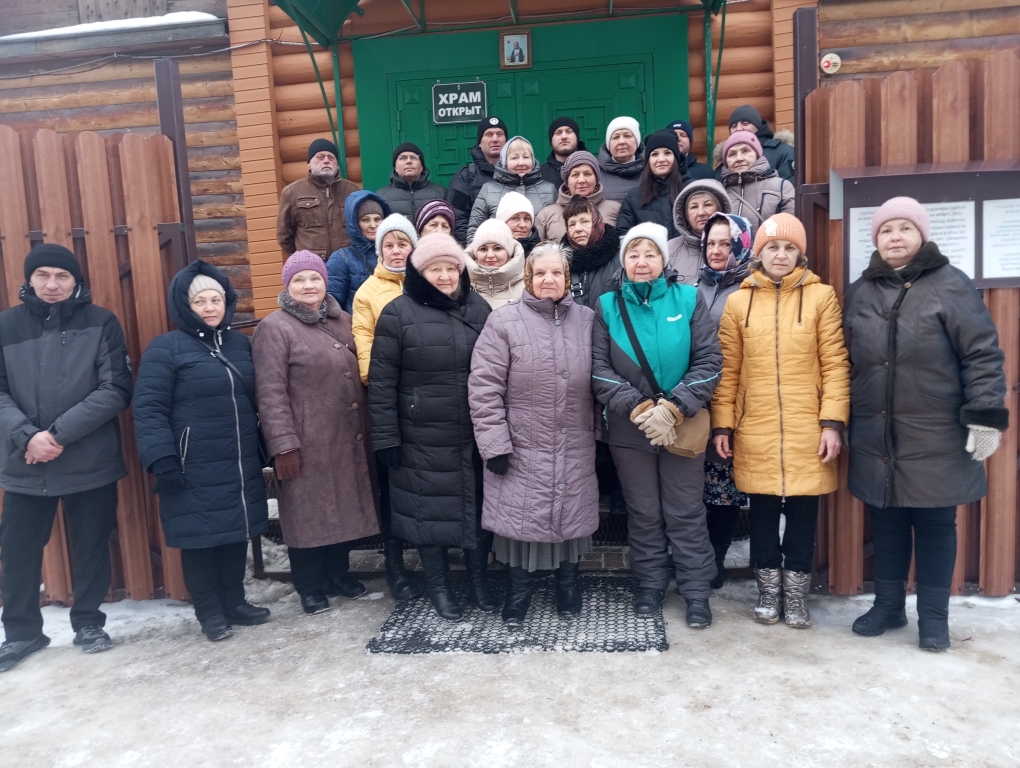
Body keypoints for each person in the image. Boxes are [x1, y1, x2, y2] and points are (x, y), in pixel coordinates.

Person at [843, 198, 1008, 652]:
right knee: (887, 522)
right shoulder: (860, 292)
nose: (895, 237)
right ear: (876, 239)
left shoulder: (951, 284)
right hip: (877, 432)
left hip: (937, 431)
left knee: (936, 525)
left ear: (921, 235)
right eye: (886, 230)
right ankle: (889, 606)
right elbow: (846, 361)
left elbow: (981, 354)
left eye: (904, 228)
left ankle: (934, 619)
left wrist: (985, 418)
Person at [712, 213, 849, 629]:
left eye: (790, 248)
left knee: (804, 514)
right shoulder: (738, 302)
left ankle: (797, 594)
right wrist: (723, 424)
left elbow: (835, 364)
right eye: (772, 247)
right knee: (763, 513)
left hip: (809, 428)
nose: (781, 254)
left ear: (799, 254)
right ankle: (769, 591)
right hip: (756, 427)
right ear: (759, 253)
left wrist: (832, 423)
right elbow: (728, 370)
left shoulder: (821, 297)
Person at [0, 245, 132, 672]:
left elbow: (116, 389)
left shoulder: (101, 322)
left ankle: (88, 623)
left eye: (62, 276)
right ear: (29, 279)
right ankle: (22, 633)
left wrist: (56, 435)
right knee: (18, 551)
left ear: (76, 281)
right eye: (43, 275)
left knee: (91, 546)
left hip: (88, 459)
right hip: (25, 463)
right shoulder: (6, 326)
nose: (52, 284)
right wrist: (28, 437)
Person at [591, 223, 722, 626]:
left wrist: (673, 407)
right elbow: (597, 369)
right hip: (630, 430)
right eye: (633, 254)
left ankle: (695, 589)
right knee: (644, 511)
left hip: (682, 425)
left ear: (663, 259)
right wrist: (640, 407)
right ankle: (651, 582)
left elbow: (709, 360)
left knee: (685, 510)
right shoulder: (607, 306)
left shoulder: (689, 298)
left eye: (650, 253)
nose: (642, 261)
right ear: (623, 261)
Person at [133, 261, 270, 642]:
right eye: (200, 302)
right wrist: (162, 459)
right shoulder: (165, 349)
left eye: (216, 299)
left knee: (234, 533)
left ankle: (235, 602)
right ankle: (209, 612)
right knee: (199, 540)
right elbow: (148, 409)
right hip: (191, 463)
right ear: (184, 306)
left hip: (237, 459)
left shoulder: (239, 344)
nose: (210, 308)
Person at [469, 242, 599, 627]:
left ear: (567, 278)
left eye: (556, 272)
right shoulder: (503, 322)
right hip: (521, 445)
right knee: (520, 517)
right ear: (528, 277)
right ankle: (518, 590)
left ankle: (568, 584)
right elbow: (484, 387)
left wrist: (602, 430)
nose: (548, 279)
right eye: (540, 272)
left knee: (570, 513)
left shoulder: (588, 320)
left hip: (575, 442)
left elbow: (603, 379)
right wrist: (494, 444)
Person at [368, 234, 494, 622]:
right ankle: (439, 587)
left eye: (451, 268)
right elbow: (382, 382)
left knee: (476, 507)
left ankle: (478, 582)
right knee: (427, 512)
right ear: (419, 273)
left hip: (473, 431)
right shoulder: (397, 313)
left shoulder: (479, 308)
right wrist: (386, 437)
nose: (444, 276)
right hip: (420, 434)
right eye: (434, 269)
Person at [252, 251, 381, 615]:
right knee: (308, 514)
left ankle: (338, 574)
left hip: (346, 436)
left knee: (343, 508)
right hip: (305, 441)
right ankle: (309, 585)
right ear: (287, 286)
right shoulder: (275, 328)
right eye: (299, 280)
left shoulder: (343, 321)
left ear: (325, 282)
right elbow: (270, 392)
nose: (308, 285)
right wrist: (283, 445)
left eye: (315, 278)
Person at [350, 217, 420, 602]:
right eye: (388, 245)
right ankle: (395, 566)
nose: (396, 251)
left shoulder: (427, 282)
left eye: (402, 244)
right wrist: (383, 383)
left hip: (430, 398)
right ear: (379, 251)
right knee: (391, 485)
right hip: (391, 398)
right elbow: (365, 346)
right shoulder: (368, 293)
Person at [694, 212, 752, 589]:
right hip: (695, 398)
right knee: (693, 487)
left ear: (742, 246)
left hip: (733, 400)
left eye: (725, 243)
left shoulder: (750, 288)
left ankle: (715, 558)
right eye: (711, 243)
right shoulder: (691, 286)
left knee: (723, 488)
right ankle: (694, 555)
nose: (716, 250)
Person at [561, 196, 627, 518]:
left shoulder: (617, 255)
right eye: (572, 223)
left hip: (613, 351)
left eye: (584, 221)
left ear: (597, 222)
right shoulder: (563, 258)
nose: (578, 228)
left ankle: (618, 493)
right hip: (574, 353)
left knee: (614, 420)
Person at [277, 138, 360, 258]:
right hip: (311, 265)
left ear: (337, 164)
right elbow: (284, 235)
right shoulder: (292, 192)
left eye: (331, 157)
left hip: (347, 264)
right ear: (309, 163)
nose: (326, 161)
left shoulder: (353, 191)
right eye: (320, 157)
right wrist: (301, 259)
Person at [467, 135, 557, 242]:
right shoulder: (488, 189)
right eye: (514, 158)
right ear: (505, 162)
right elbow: (475, 230)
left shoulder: (549, 189)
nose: (521, 163)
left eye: (526, 157)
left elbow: (556, 229)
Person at [325, 191, 392, 312]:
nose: (373, 225)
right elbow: (332, 306)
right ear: (355, 224)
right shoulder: (341, 259)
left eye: (377, 219)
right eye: (365, 220)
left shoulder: (395, 253)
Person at [616, 130, 689, 240]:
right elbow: (623, 235)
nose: (661, 159)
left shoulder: (691, 190)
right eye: (654, 154)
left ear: (676, 158)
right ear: (648, 161)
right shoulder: (634, 197)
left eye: (667, 153)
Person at [535, 150, 621, 242]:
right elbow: (536, 248)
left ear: (596, 179)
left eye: (587, 174)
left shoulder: (615, 209)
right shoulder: (546, 215)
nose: (581, 180)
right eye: (575, 175)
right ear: (567, 181)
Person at [447, 117, 508, 244]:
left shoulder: (519, 172)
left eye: (500, 134)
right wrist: (475, 248)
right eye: (489, 134)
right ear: (480, 142)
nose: (495, 139)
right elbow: (458, 218)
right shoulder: (465, 177)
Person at [720, 131, 795, 232]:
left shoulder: (782, 187)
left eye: (745, 151)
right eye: (732, 154)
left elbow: (790, 230)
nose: (739, 158)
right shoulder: (720, 193)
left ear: (757, 155)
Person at [666, 179, 732, 285]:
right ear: (685, 214)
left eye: (708, 204)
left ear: (721, 209)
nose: (701, 212)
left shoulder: (738, 246)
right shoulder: (669, 250)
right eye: (694, 207)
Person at [376, 142, 447, 220]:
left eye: (414, 158)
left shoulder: (441, 194)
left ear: (422, 167)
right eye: (403, 158)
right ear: (395, 167)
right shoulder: (382, 197)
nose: (409, 161)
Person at [465, 219, 526, 309]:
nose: (490, 255)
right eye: (483, 249)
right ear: (475, 253)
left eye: (497, 248)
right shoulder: (461, 284)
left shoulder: (527, 286)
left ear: (509, 252)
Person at [728, 105, 795, 182]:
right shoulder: (727, 160)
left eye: (745, 123)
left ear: (757, 126)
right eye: (734, 126)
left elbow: (791, 187)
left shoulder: (784, 152)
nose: (738, 129)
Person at [598, 116, 645, 203]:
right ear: (609, 144)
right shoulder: (596, 172)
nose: (622, 142)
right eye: (616, 137)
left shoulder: (650, 169)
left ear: (637, 141)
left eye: (627, 136)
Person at [540, 116, 588, 186]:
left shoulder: (593, 169)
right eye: (558, 133)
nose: (564, 137)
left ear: (577, 137)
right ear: (551, 140)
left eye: (568, 132)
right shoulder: (540, 174)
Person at [495, 191, 540, 256]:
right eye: (515, 218)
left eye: (526, 219)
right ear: (503, 223)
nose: (523, 225)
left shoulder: (541, 254)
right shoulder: (488, 253)